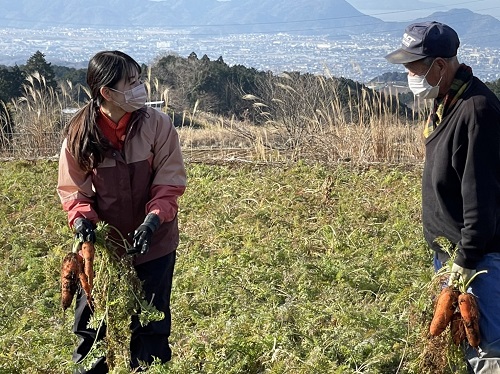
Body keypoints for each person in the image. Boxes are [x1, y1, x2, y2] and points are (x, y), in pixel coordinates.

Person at [57, 50, 186, 373]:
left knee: (151, 326)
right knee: (92, 327)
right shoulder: (79, 133)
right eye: (131, 82)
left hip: (155, 243)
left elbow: (169, 184)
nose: (140, 87)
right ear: (107, 92)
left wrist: (152, 221)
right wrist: (83, 220)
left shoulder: (157, 125)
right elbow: (74, 189)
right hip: (101, 251)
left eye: (139, 79)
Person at [385, 21, 500, 372]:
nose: (409, 74)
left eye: (414, 67)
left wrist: (463, 261)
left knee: (488, 351)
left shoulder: (476, 111)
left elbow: (482, 197)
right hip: (453, 255)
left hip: (477, 262)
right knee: (467, 344)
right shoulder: (448, 102)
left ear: (439, 65)